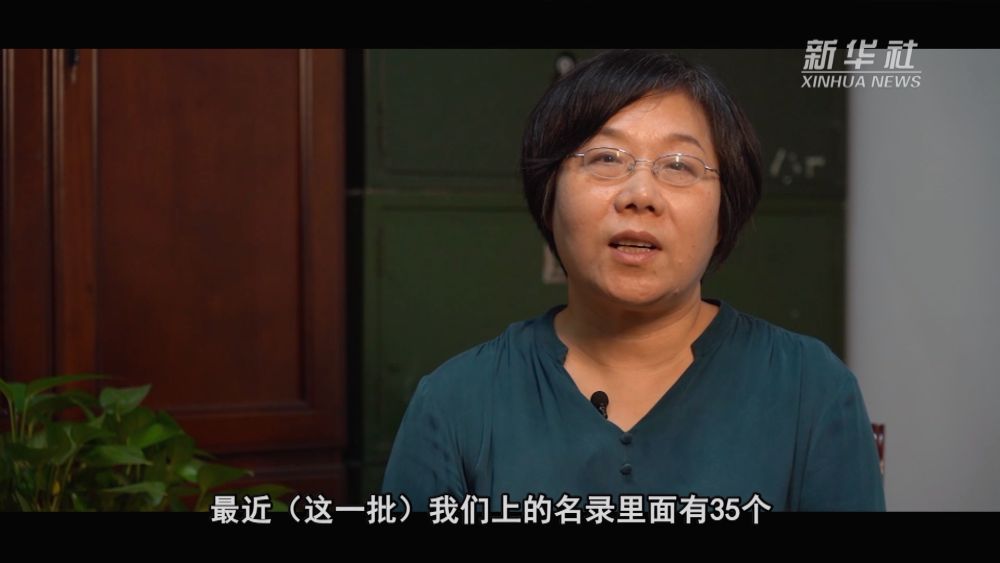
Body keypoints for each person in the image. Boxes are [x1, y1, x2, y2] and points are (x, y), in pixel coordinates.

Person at [381, 49, 885, 513]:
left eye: (679, 165)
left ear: (724, 210)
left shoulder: (811, 391)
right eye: (606, 159)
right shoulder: (455, 403)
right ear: (548, 195)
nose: (640, 195)